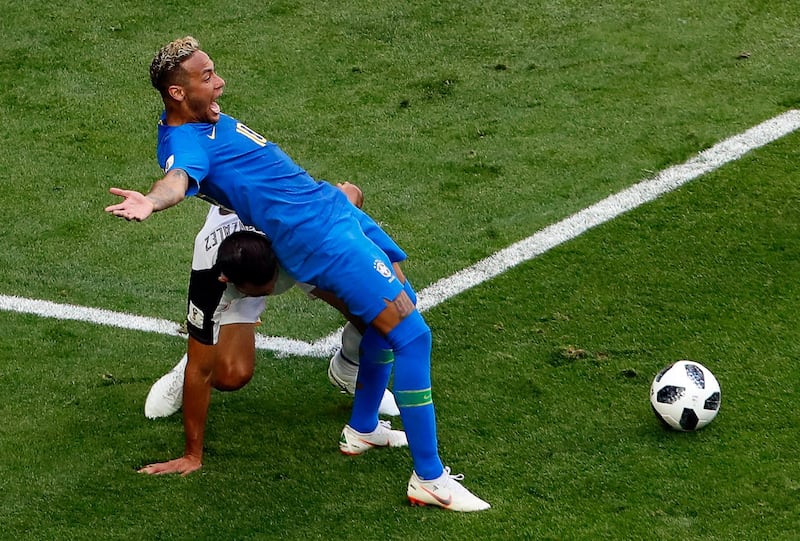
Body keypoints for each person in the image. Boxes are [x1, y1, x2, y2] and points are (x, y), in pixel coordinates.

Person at [106, 36, 489, 511]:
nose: (220, 82)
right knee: (412, 336)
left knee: (394, 302)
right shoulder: (185, 143)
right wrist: (154, 200)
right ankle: (429, 478)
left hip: (331, 210)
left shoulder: (207, 120)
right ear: (177, 93)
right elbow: (178, 177)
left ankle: (363, 429)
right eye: (207, 77)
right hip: (318, 238)